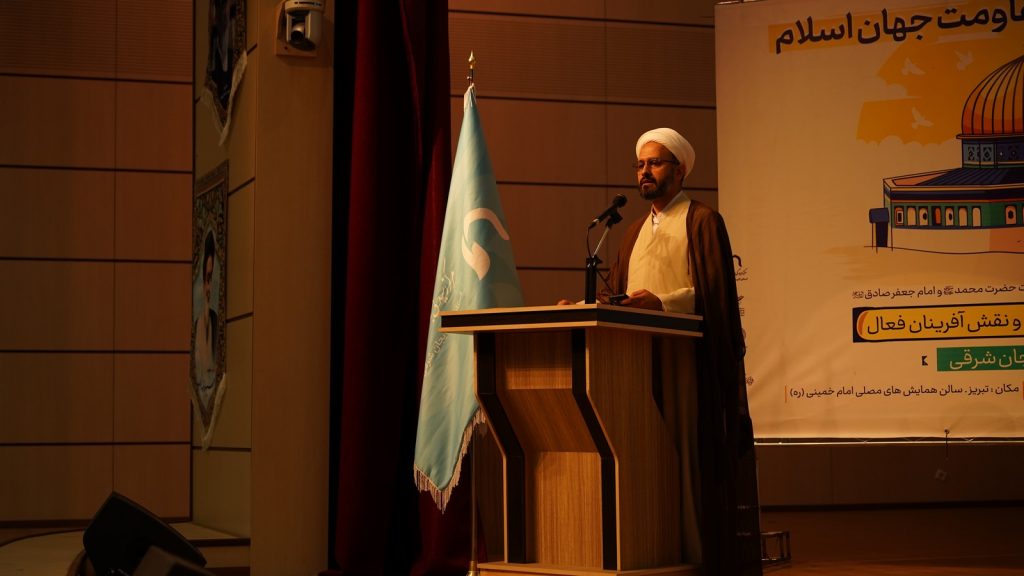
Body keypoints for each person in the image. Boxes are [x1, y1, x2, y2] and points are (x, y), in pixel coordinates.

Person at [566, 128, 761, 575]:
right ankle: (651, 544)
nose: (645, 172)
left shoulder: (702, 220)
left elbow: (714, 292)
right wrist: (579, 306)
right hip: (634, 361)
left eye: (654, 163)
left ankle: (693, 551)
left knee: (684, 456)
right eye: (640, 165)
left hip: (685, 363)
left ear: (680, 170)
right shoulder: (633, 230)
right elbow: (617, 295)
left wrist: (663, 302)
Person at [193, 230, 220, 397]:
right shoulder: (198, 325)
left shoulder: (216, 321)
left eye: (212, 279)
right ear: (203, 283)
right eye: (207, 279)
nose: (209, 287)